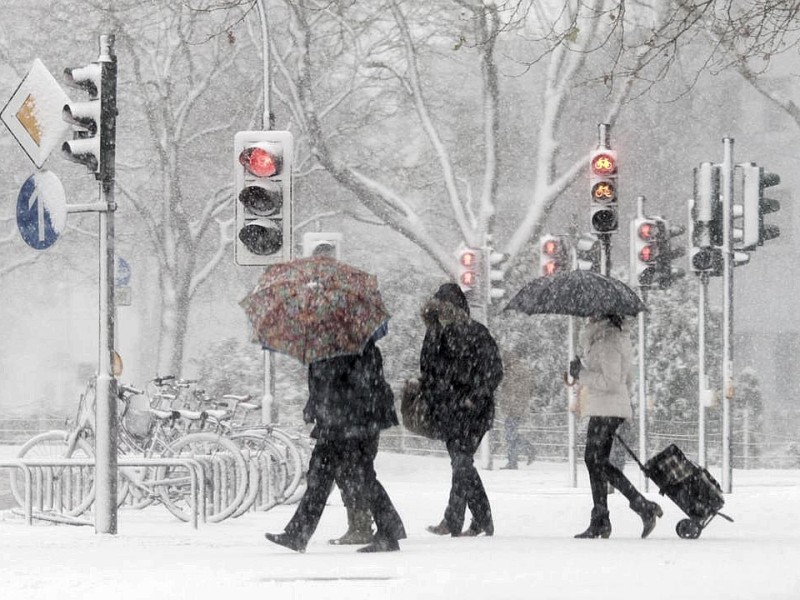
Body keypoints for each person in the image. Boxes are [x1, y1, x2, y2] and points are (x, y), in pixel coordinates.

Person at [265, 338, 406, 553]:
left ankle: (389, 530)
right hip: (337, 423)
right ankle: (298, 533)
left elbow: (358, 386)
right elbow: (323, 386)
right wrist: (313, 407)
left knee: (360, 476)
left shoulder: (359, 349)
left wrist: (332, 399)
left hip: (352, 423)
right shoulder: (328, 350)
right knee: (322, 475)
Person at [418, 283, 503, 537]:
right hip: (450, 411)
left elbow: (494, 372)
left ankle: (453, 520)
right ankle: (482, 520)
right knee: (462, 464)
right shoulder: (438, 335)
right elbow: (427, 368)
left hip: (473, 412)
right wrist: (432, 330)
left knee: (461, 462)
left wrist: (473, 397)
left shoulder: (477, 333)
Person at [569, 314, 662, 539]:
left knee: (595, 460)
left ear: (602, 314)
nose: (588, 315)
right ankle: (605, 517)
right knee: (597, 461)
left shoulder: (608, 340)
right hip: (606, 407)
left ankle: (631, 509)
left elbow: (610, 382)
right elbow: (626, 378)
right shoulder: (607, 337)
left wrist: (581, 374)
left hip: (606, 408)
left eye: (593, 312)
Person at [497, 346, 535, 470]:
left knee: (510, 434)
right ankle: (514, 460)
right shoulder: (519, 370)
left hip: (514, 409)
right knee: (510, 434)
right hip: (517, 407)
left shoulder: (513, 371)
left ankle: (527, 450)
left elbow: (512, 391)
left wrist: (510, 405)